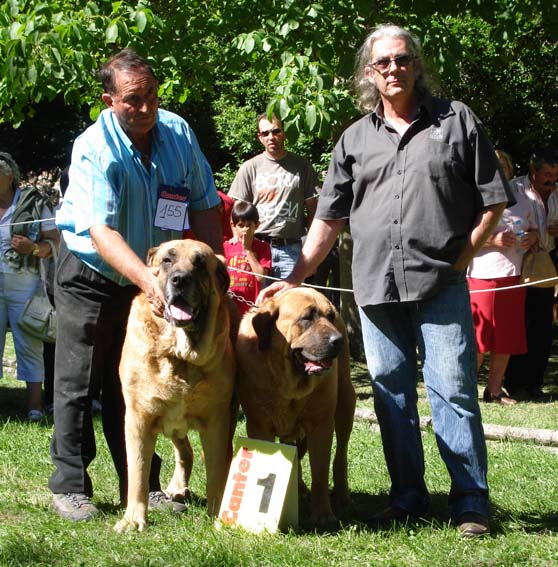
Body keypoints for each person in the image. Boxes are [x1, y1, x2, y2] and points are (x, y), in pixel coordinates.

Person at [259, 23, 514, 537]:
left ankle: (470, 502)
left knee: (453, 391)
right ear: (369, 74)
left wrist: (462, 259)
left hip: (441, 284)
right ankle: (408, 497)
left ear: (416, 64)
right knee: (390, 394)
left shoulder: (457, 120)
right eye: (383, 63)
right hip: (374, 289)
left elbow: (494, 200)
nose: (393, 69)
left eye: (401, 59)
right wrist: (296, 276)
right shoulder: (353, 139)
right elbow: (327, 221)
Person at [49, 49, 224, 522]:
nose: (145, 108)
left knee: (138, 382)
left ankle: (143, 486)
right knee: (79, 379)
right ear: (109, 101)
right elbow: (101, 231)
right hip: (92, 271)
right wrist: (149, 281)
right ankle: (70, 486)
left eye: (151, 96)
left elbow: (206, 204)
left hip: (160, 273)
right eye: (132, 101)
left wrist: (214, 272)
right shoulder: (94, 147)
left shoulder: (179, 133)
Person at [467, 150, 538, 405]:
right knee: (479, 339)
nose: (499, 169)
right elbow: (460, 239)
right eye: (494, 165)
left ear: (509, 170)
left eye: (504, 165)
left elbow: (532, 229)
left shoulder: (522, 198)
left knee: (506, 337)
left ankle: (494, 391)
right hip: (482, 275)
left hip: (514, 275)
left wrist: (533, 237)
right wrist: (492, 240)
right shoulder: (474, 197)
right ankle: (465, 392)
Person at [0, 152, 59, 421]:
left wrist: (32, 247)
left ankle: (34, 407)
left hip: (24, 282)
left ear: (9, 175)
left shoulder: (33, 202)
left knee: (29, 342)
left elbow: (54, 242)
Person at [228, 113, 319, 280]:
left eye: (276, 131)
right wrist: (236, 236)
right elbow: (236, 209)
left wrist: (310, 249)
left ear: (284, 133)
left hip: (291, 249)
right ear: (260, 137)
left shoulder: (302, 166)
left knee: (290, 304)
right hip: (257, 248)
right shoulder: (250, 167)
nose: (271, 137)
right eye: (265, 133)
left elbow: (314, 209)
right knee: (258, 304)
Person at [504, 148, 558, 399]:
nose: (551, 179)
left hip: (548, 262)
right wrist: (533, 234)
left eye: (555, 174)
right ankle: (515, 383)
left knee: (543, 328)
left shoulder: (557, 193)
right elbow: (511, 221)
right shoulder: (515, 190)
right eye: (546, 174)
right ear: (533, 171)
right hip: (521, 263)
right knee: (521, 324)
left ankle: (535, 383)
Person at [224, 201, 272, 315]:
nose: (245, 229)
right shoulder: (226, 246)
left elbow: (261, 277)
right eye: (241, 225)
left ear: (257, 225)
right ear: (233, 225)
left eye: (249, 225)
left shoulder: (263, 248)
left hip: (251, 308)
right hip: (229, 306)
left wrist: (248, 250)